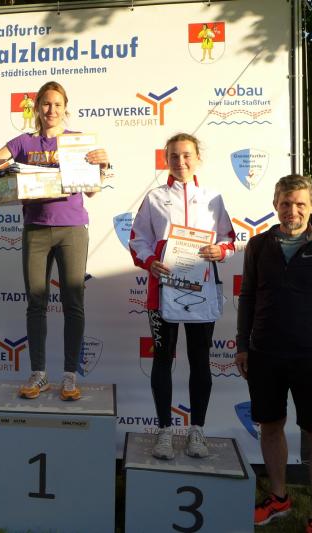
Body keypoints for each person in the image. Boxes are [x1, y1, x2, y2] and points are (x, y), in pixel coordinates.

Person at [0, 80, 111, 401]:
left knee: (73, 303)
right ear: (37, 107)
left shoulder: (78, 142)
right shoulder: (23, 142)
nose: (52, 110)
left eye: (58, 105)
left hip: (72, 229)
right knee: (36, 304)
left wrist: (101, 166)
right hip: (35, 229)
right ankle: (38, 374)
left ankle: (70, 376)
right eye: (46, 104)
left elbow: (93, 190)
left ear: (66, 108)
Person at [235, 174, 312, 533]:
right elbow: (248, 298)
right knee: (271, 427)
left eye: (300, 204)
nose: (292, 210)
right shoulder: (258, 246)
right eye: (286, 203)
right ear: (275, 205)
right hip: (264, 356)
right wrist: (243, 345)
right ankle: (279, 497)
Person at [129, 133, 235, 460]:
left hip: (201, 291)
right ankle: (164, 431)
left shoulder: (213, 198)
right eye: (174, 156)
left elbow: (229, 239)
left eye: (187, 155)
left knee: (200, 360)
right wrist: (150, 261)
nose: (181, 162)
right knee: (163, 359)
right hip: (163, 290)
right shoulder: (154, 198)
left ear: (198, 158)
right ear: (166, 160)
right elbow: (137, 239)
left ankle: (196, 431)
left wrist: (220, 250)